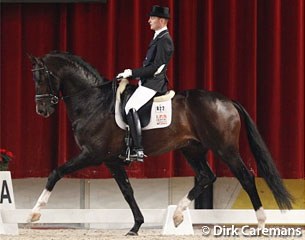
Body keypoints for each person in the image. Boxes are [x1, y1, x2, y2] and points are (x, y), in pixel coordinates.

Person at [117, 5, 174, 162]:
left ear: (161, 21)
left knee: (130, 107)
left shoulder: (165, 41)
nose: (149, 20)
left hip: (154, 84)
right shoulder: (158, 38)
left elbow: (156, 68)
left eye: (152, 18)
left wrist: (132, 73)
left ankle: (138, 149)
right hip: (147, 82)